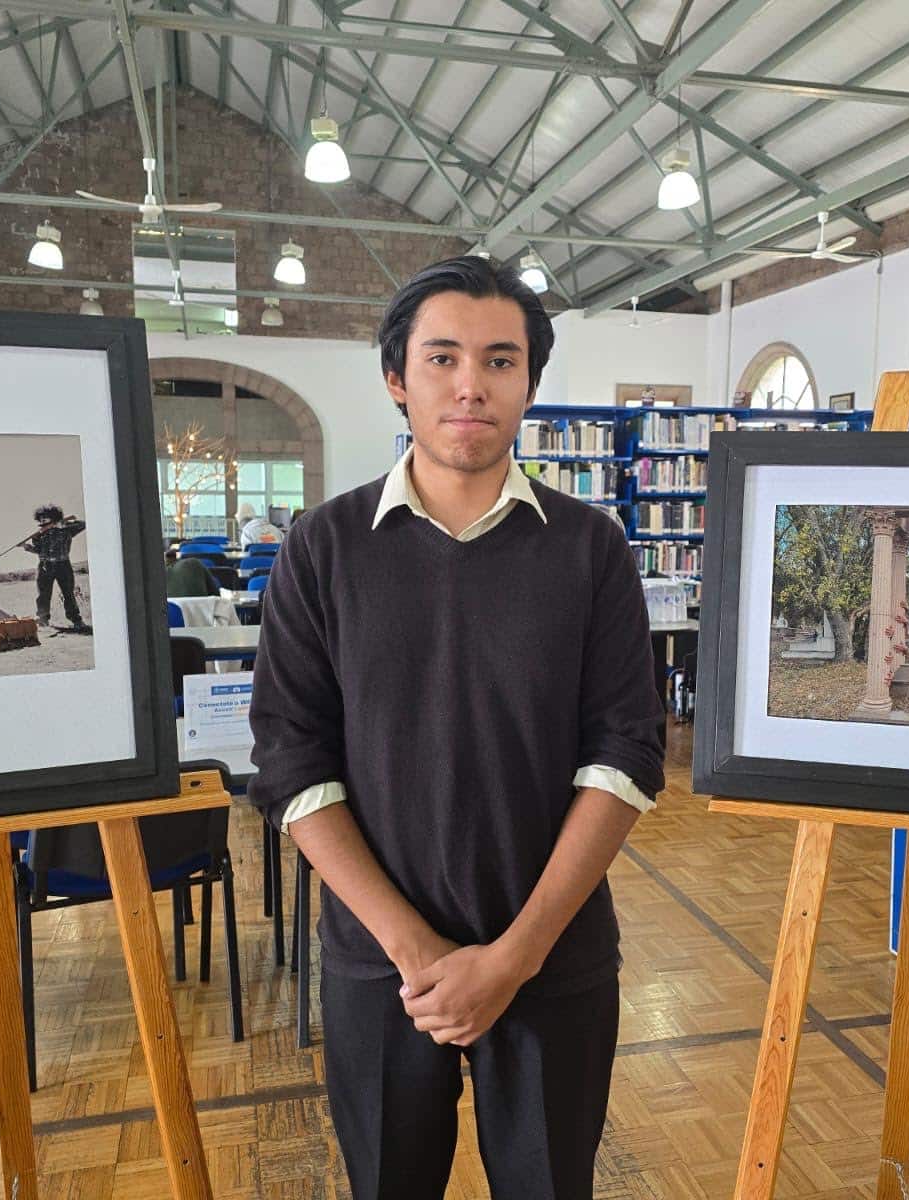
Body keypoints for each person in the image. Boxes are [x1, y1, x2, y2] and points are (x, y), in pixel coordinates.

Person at [248, 255, 666, 1200]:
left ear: (530, 383)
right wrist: (418, 952)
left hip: (553, 960)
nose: (470, 385)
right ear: (398, 378)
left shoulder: (592, 548)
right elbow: (289, 762)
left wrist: (511, 959)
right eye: (442, 358)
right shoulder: (323, 548)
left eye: (500, 361)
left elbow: (627, 754)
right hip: (381, 967)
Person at [21, 503, 88, 630]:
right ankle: (43, 620)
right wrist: (28, 548)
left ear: (53, 516)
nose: (42, 520)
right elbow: (39, 550)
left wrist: (63, 524)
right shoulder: (39, 534)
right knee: (43, 595)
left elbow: (83, 524)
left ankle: (76, 620)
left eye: (45, 517)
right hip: (45, 566)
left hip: (64, 564)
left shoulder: (66, 528)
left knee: (68, 593)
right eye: (40, 518)